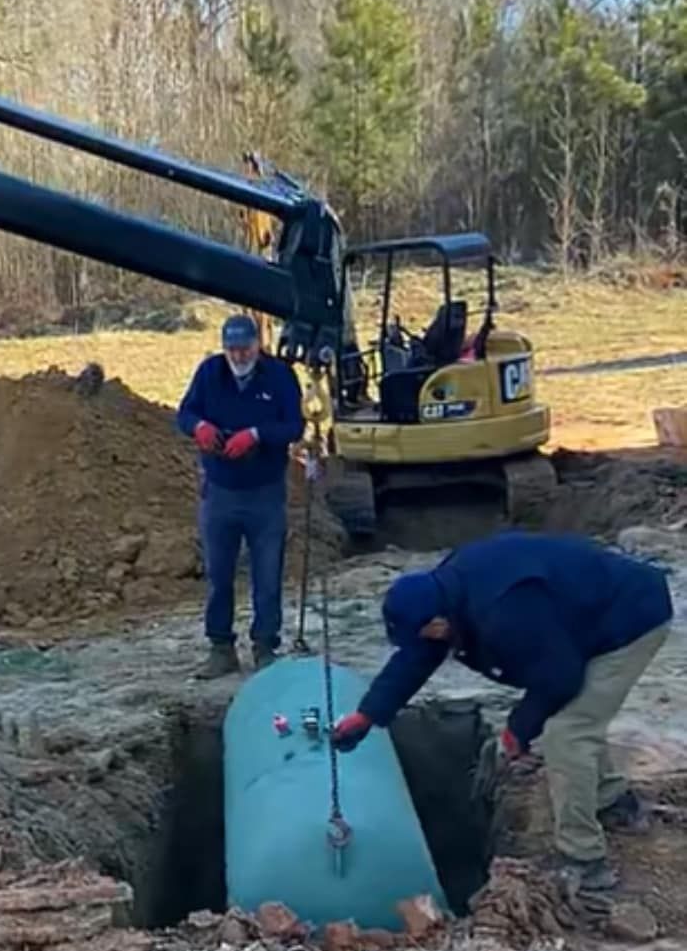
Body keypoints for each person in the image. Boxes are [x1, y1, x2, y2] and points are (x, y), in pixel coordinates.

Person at [331, 532, 673, 896]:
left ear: (436, 623)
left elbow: (560, 678)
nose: (426, 645)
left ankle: (585, 862)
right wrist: (368, 715)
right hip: (581, 622)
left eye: (425, 635)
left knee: (568, 731)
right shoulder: (445, 594)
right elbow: (417, 658)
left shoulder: (504, 613)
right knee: (577, 719)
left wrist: (519, 730)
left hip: (631, 620)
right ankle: (613, 801)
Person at [177, 313, 304, 678]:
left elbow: (294, 426)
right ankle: (221, 649)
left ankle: (265, 647)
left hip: (265, 494)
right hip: (220, 494)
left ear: (257, 345)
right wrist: (198, 427)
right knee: (219, 575)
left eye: (244, 348)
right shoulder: (209, 374)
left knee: (267, 574)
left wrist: (257, 434)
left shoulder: (279, 377)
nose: (238, 356)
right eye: (231, 349)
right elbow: (185, 412)